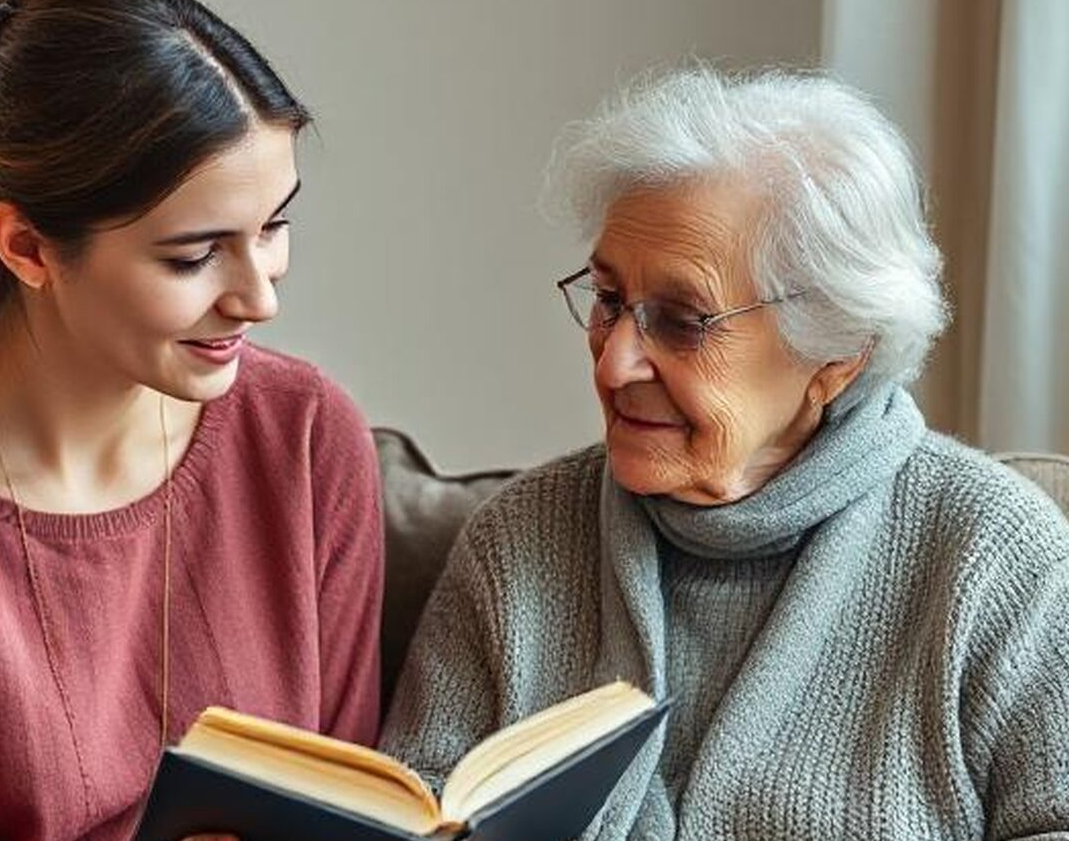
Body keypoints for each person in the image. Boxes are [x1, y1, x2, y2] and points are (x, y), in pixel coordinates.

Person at [0, 0, 382, 838]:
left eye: (274, 227)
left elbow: (353, 809)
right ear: (28, 248)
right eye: (194, 255)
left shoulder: (309, 436)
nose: (259, 297)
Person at [380, 67, 1069, 839]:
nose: (614, 364)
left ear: (839, 351)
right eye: (609, 301)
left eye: (681, 320)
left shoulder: (998, 559)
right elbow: (414, 811)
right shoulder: (517, 546)